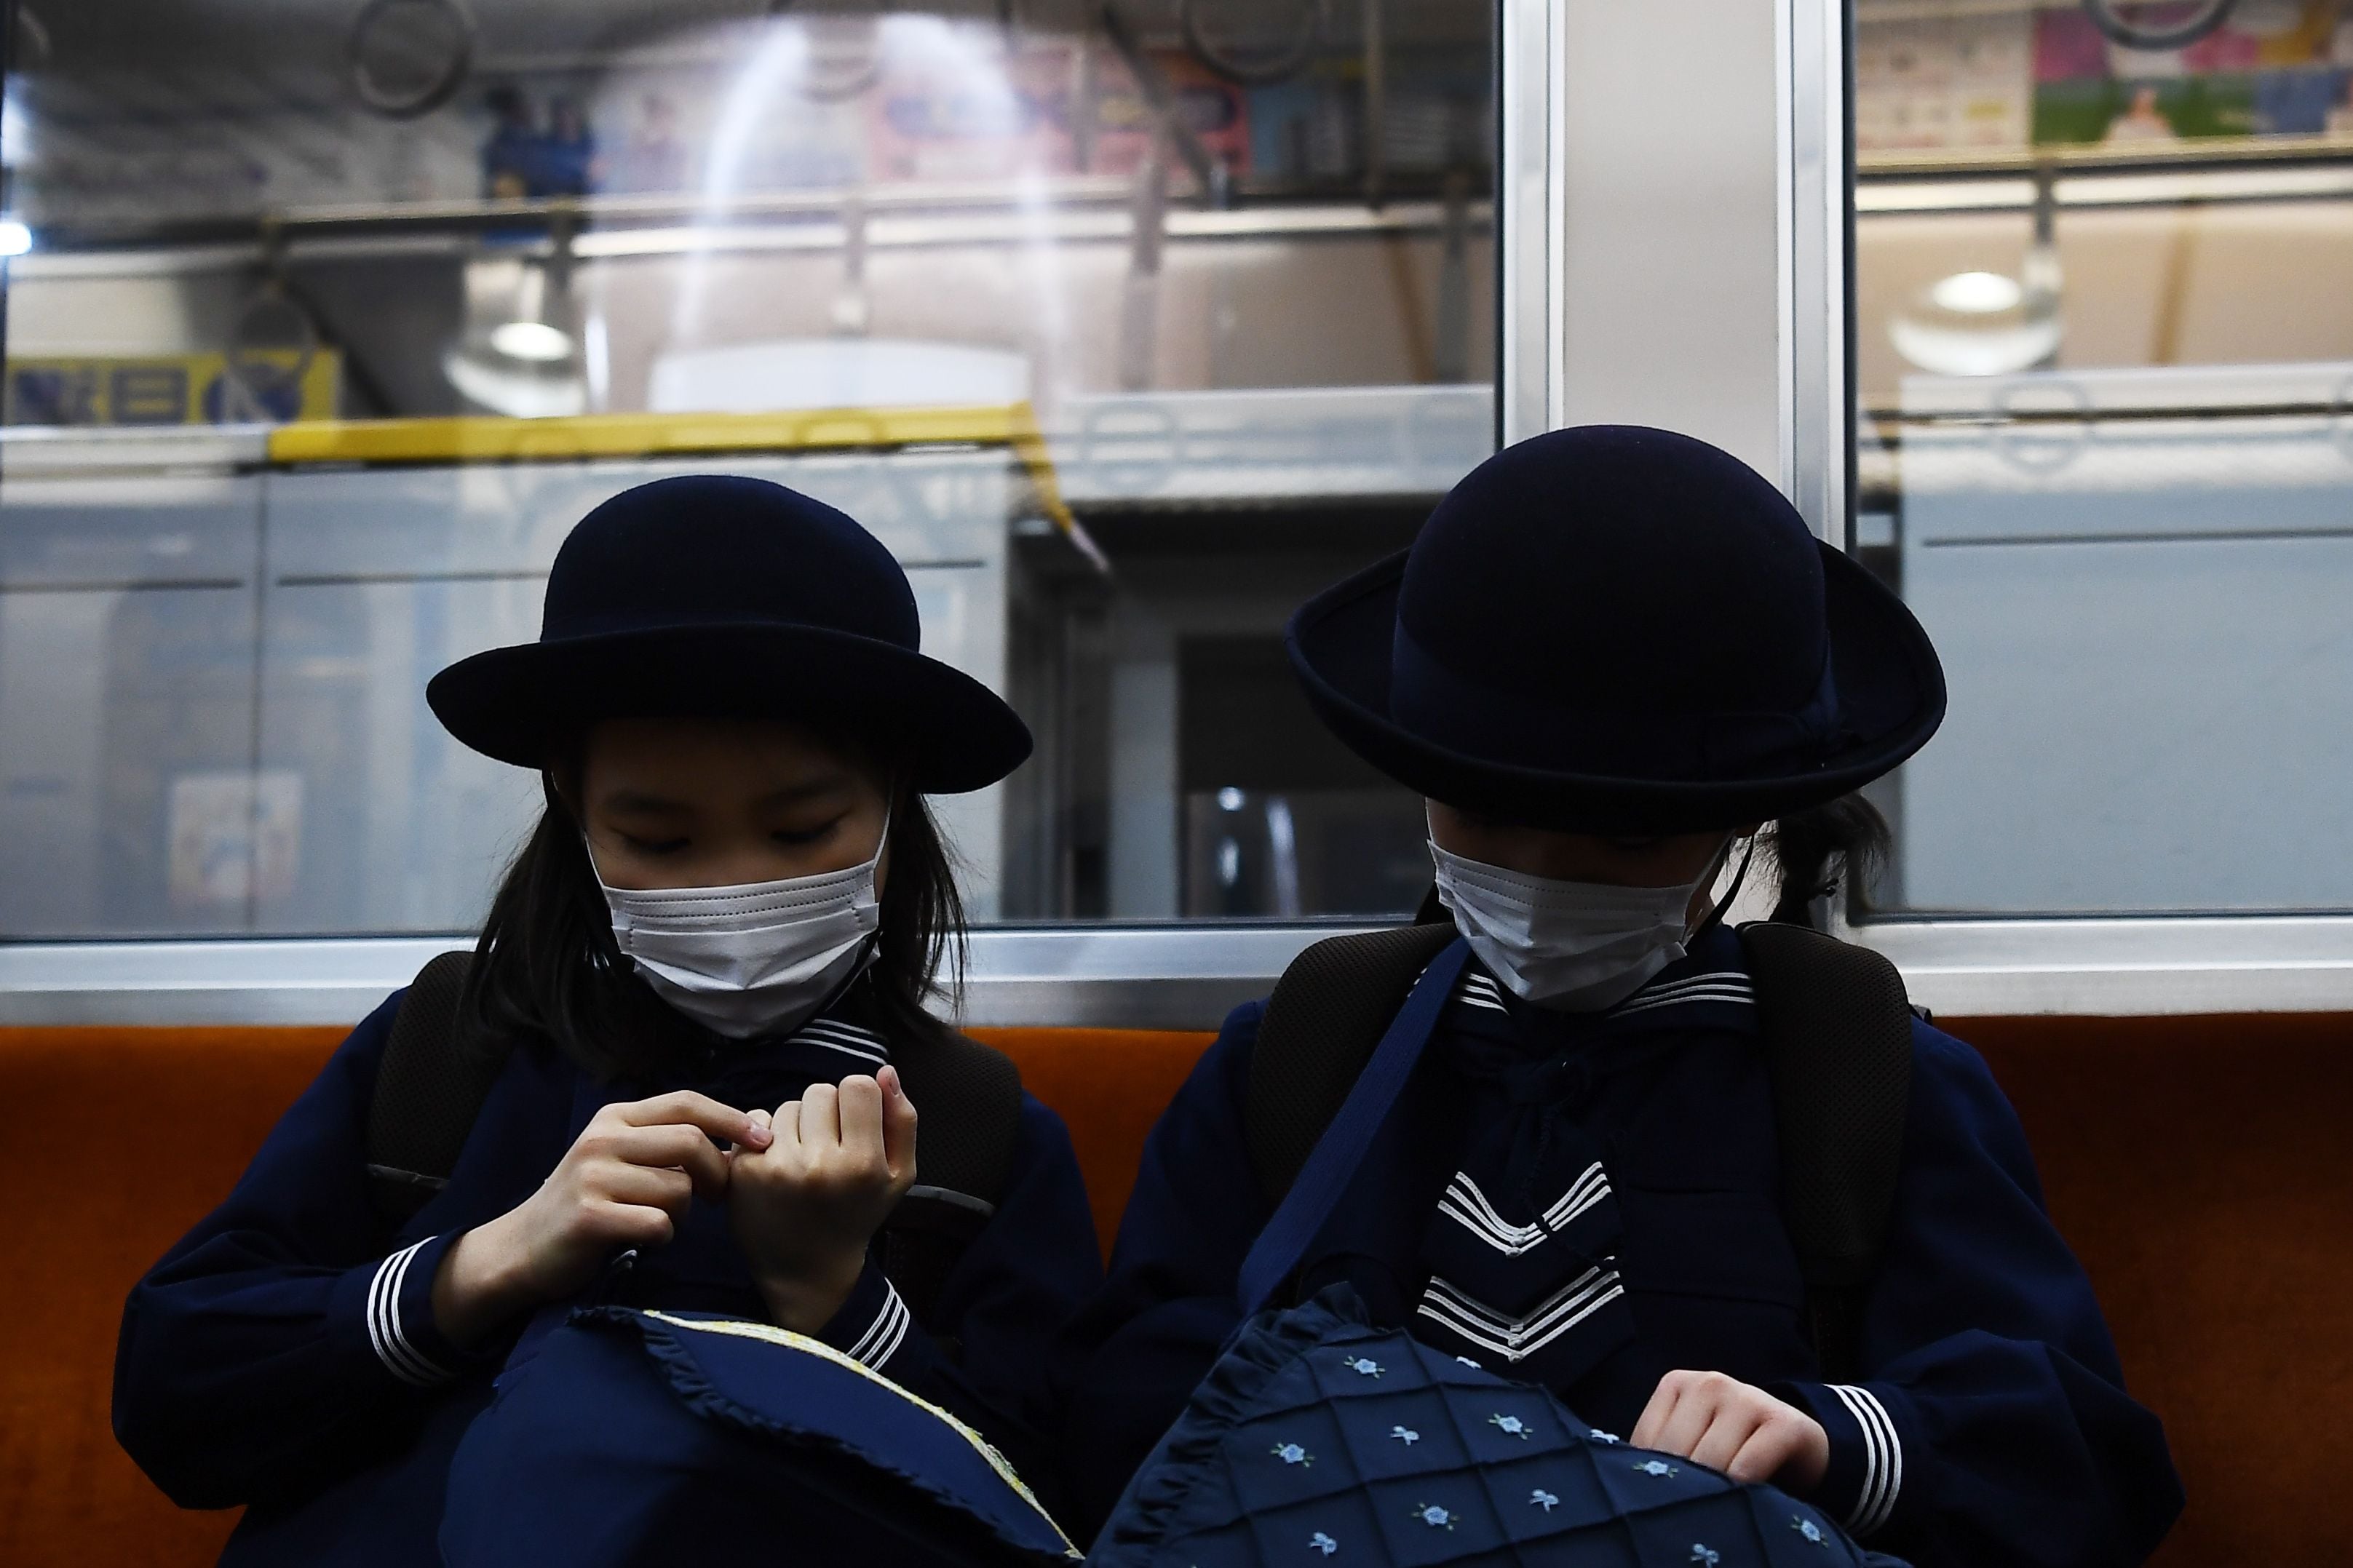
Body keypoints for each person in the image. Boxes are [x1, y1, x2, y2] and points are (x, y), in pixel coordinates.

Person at [1055, 427, 2184, 1567]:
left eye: (1627, 830)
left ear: (1745, 820)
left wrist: (1836, 1440)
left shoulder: (1864, 1081)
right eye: (1482, 809)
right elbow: (1118, 1417)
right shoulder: (1298, 1060)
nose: (1544, 879)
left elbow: (2078, 1459)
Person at [114, 475, 1104, 1565]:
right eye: (659, 842)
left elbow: (1066, 1501)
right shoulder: (445, 1057)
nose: (732, 886)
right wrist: (482, 1265)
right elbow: (175, 1400)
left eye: (804, 830)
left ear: (892, 816)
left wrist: (836, 1295)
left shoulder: (972, 1135)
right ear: (574, 818)